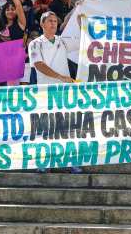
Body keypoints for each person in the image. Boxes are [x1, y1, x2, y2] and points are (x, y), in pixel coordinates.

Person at [29, 11, 82, 174]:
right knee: (45, 127)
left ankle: (72, 162)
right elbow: (38, 64)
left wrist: (81, 23)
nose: (53, 24)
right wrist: (59, 76)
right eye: (50, 21)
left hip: (64, 92)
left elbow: (84, 43)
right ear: (42, 24)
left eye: (55, 21)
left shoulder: (62, 41)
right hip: (45, 91)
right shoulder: (35, 44)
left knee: (66, 126)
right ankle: (44, 162)